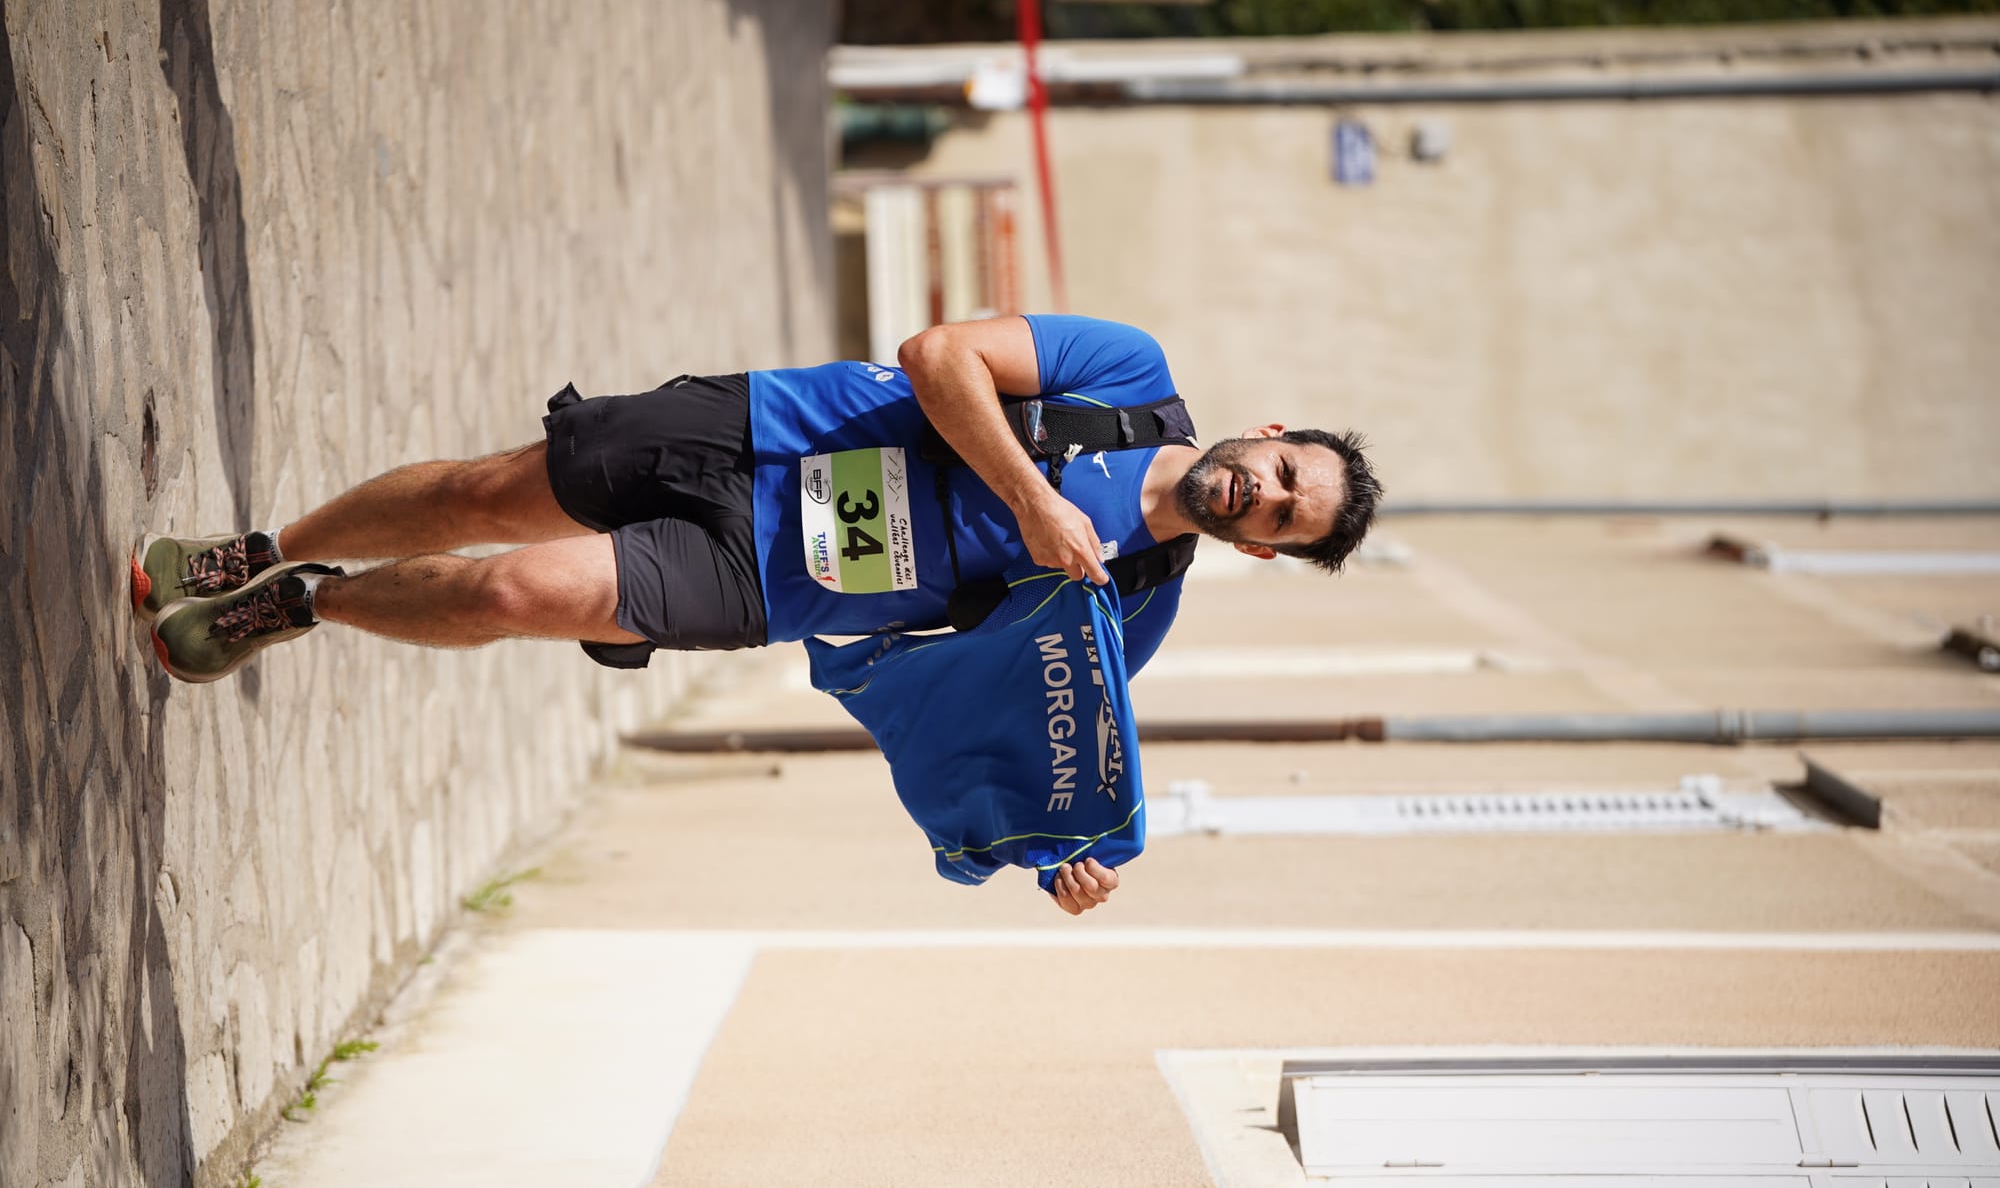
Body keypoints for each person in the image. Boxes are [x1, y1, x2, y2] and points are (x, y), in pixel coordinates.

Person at [133, 314, 1381, 913]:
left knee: (520, 586)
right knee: (486, 491)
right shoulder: (1129, 377)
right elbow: (936, 353)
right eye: (1282, 475)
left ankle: (307, 603)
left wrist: (1055, 849)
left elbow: (1022, 721)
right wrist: (1031, 501)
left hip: (769, 581)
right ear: (1268, 433)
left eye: (1281, 518)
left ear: (1263, 546)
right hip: (766, 429)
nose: (1259, 496)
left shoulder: (1134, 612)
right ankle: (262, 546)